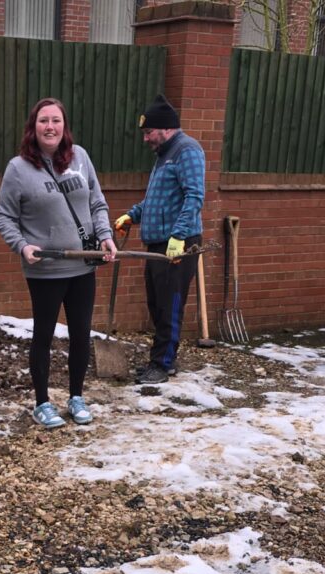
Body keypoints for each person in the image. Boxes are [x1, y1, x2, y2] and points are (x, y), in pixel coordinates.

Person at [0, 98, 117, 428]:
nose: (50, 127)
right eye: (43, 121)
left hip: (83, 264)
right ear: (33, 128)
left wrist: (105, 235)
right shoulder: (18, 169)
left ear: (64, 126)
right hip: (46, 269)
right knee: (44, 336)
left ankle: (76, 396)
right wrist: (21, 246)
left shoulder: (81, 158)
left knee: (80, 334)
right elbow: (4, 216)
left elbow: (97, 202)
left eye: (56, 121)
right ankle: (42, 402)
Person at [114, 94, 205, 385]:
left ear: (166, 128)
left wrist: (178, 237)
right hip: (159, 244)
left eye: (148, 132)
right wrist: (132, 215)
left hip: (177, 244)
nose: (146, 139)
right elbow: (156, 199)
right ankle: (161, 359)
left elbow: (194, 197)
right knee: (157, 304)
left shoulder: (187, 151)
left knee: (170, 305)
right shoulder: (164, 155)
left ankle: (163, 365)